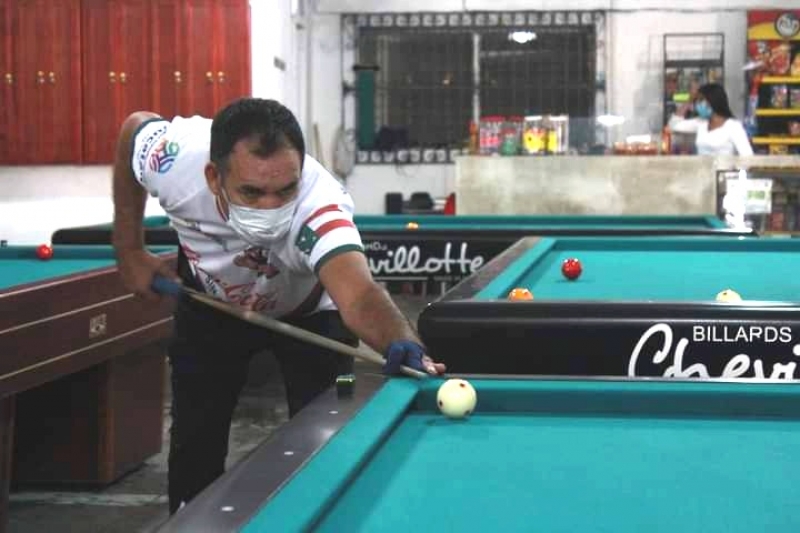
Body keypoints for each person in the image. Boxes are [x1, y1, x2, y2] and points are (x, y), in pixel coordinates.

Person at [111, 97, 446, 514]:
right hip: (210, 307)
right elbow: (134, 129)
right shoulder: (176, 159)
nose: (271, 206)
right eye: (251, 192)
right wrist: (128, 248)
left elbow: (360, 294)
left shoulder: (320, 204)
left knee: (324, 444)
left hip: (310, 315)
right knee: (195, 441)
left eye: (285, 189)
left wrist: (403, 342)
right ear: (214, 177)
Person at [668, 83, 754, 156]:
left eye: (701, 100)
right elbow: (674, 125)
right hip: (702, 170)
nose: (698, 104)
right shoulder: (701, 123)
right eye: (697, 101)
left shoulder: (733, 126)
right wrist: (690, 99)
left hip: (724, 170)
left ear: (713, 101)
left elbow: (747, 156)